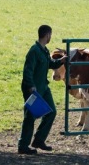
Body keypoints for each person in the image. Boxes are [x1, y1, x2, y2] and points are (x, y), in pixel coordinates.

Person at [17, 24, 66, 154]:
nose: (51, 37)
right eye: (50, 35)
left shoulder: (44, 50)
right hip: (32, 89)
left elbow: (50, 64)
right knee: (30, 116)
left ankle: (39, 140)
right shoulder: (34, 51)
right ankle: (23, 145)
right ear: (47, 35)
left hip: (43, 87)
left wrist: (62, 61)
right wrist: (30, 86)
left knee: (52, 112)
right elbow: (27, 70)